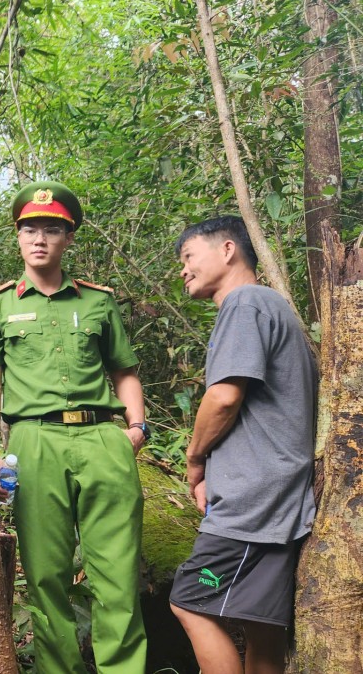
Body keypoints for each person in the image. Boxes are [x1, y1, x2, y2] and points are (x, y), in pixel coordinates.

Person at [0, 181, 149, 673]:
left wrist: (136, 428)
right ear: (17, 236)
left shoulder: (97, 302)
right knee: (46, 578)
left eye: (51, 230)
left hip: (102, 437)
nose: (39, 239)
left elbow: (124, 371)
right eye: (29, 229)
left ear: (68, 238)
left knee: (117, 576)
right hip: (33, 442)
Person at [169, 216, 316, 674]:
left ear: (228, 250)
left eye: (188, 256)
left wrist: (195, 458)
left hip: (252, 500)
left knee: (188, 601)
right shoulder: (272, 306)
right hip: (281, 494)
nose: (183, 269)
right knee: (261, 625)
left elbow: (225, 397)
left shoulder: (245, 302)